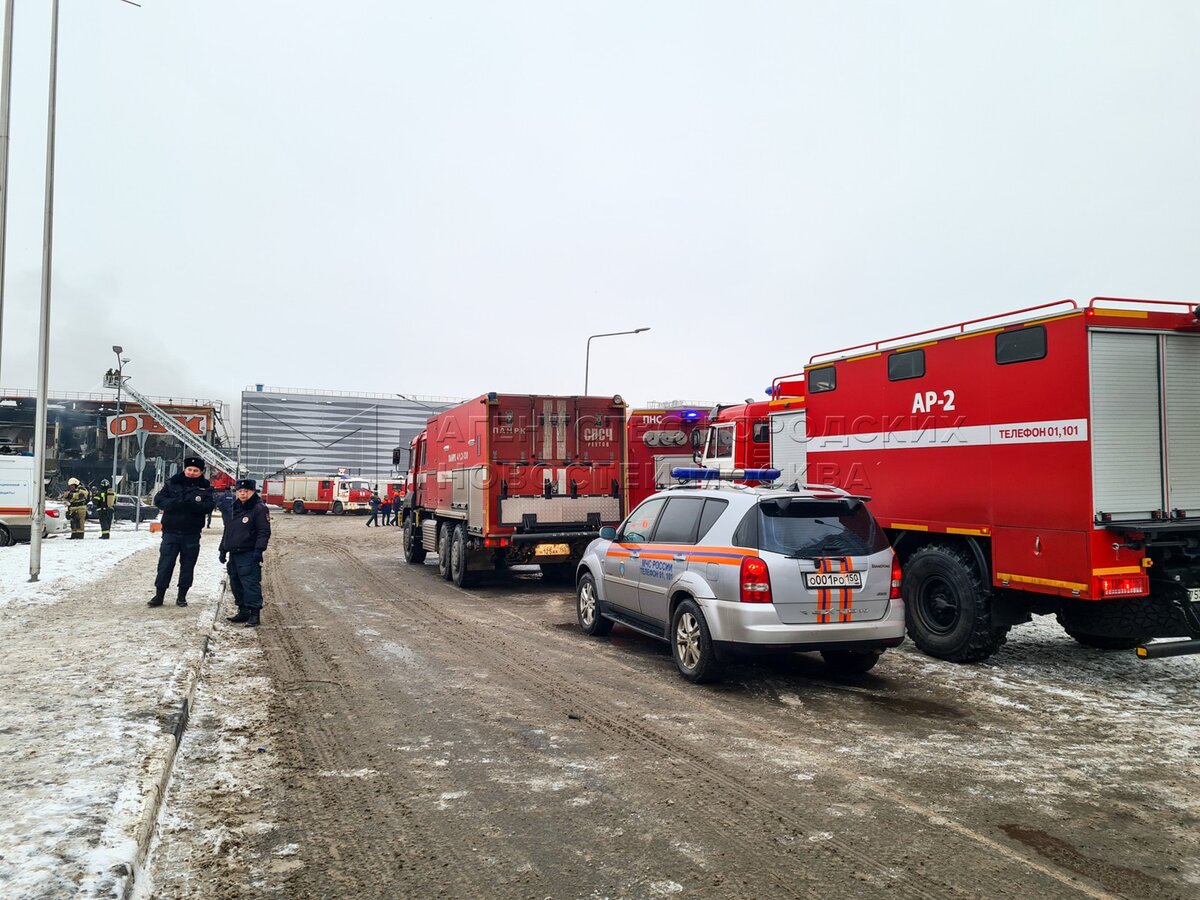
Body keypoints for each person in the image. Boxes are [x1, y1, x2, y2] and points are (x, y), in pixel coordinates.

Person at [149, 457, 215, 608]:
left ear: (201, 472)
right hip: (171, 532)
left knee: (187, 566)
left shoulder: (205, 488)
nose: (192, 473)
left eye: (195, 470)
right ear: (184, 469)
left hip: (191, 533)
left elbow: (209, 505)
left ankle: (182, 596)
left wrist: (193, 506)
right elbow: (159, 500)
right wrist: (176, 504)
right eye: (189, 469)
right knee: (165, 564)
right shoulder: (172, 482)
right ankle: (159, 596)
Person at [220, 478, 271, 627]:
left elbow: (264, 531)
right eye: (239, 491)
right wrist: (222, 549)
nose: (242, 494)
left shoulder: (259, 508)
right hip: (234, 553)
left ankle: (254, 613)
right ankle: (243, 611)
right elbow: (228, 530)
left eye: (246, 491)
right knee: (235, 583)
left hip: (249, 553)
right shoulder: (235, 507)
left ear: (252, 492)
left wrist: (259, 550)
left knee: (250, 583)